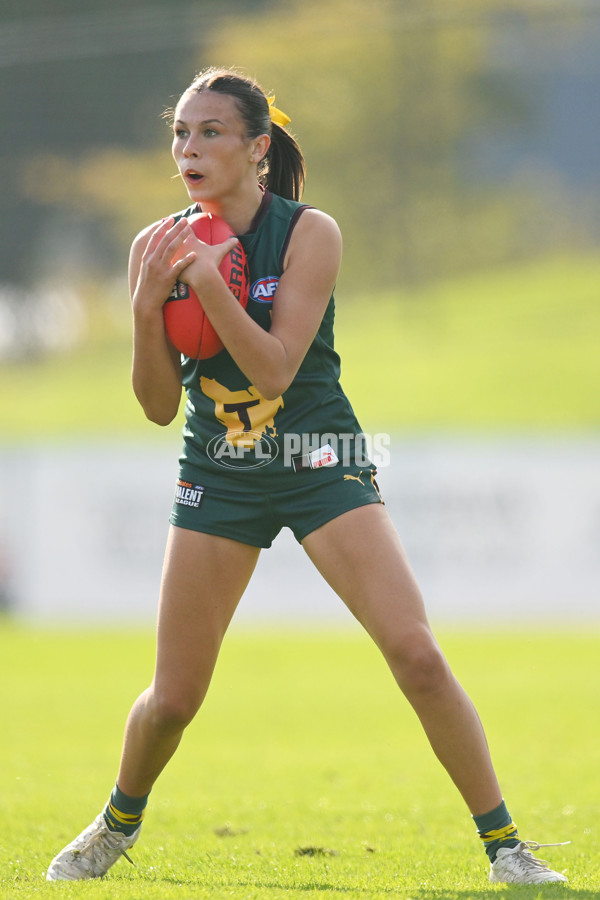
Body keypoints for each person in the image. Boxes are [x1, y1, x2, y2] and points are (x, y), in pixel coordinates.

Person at [46, 66, 568, 886]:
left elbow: (278, 368)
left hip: (321, 459)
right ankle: (116, 823)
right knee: (174, 699)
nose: (189, 148)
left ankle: (508, 846)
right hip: (219, 470)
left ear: (257, 149)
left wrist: (210, 284)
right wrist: (148, 307)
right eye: (180, 133)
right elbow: (154, 405)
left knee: (416, 654)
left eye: (210, 132)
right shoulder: (157, 244)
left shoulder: (307, 232)